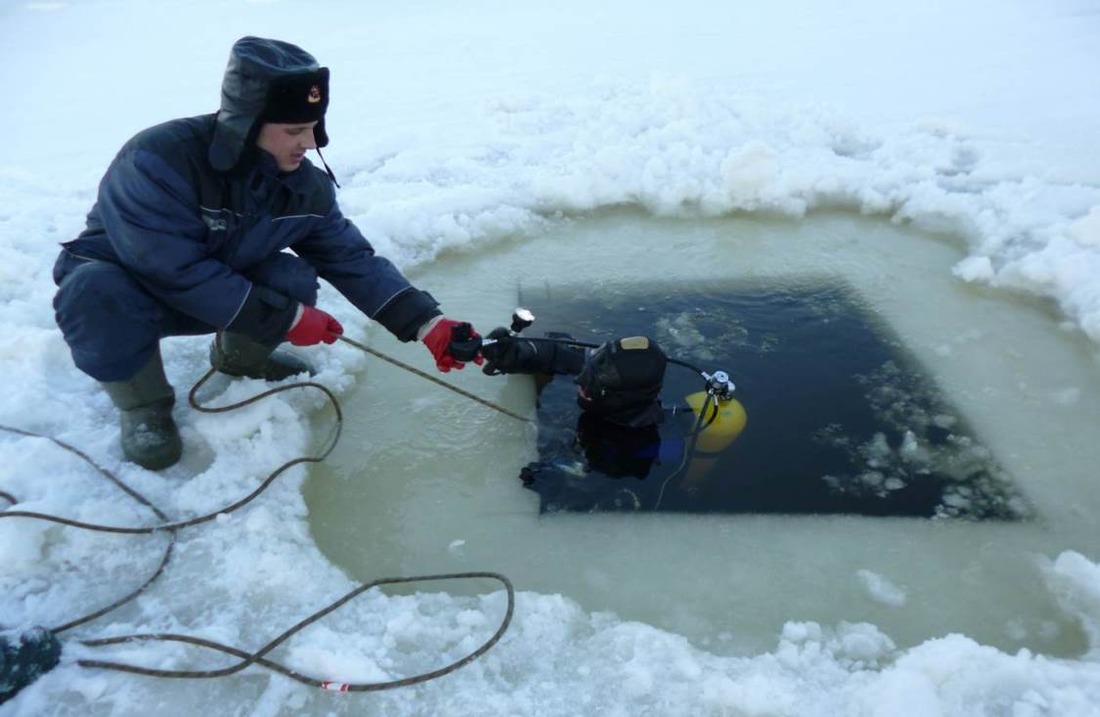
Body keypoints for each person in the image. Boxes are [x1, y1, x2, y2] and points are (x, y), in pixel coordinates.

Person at [52, 37, 481, 471]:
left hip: (218, 289)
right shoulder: (158, 159)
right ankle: (143, 406)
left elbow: (350, 258)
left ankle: (239, 361)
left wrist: (427, 323)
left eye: (313, 126)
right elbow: (168, 268)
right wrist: (286, 318)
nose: (310, 142)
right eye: (295, 130)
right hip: (132, 292)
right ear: (247, 122)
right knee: (92, 290)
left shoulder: (301, 185)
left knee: (290, 279)